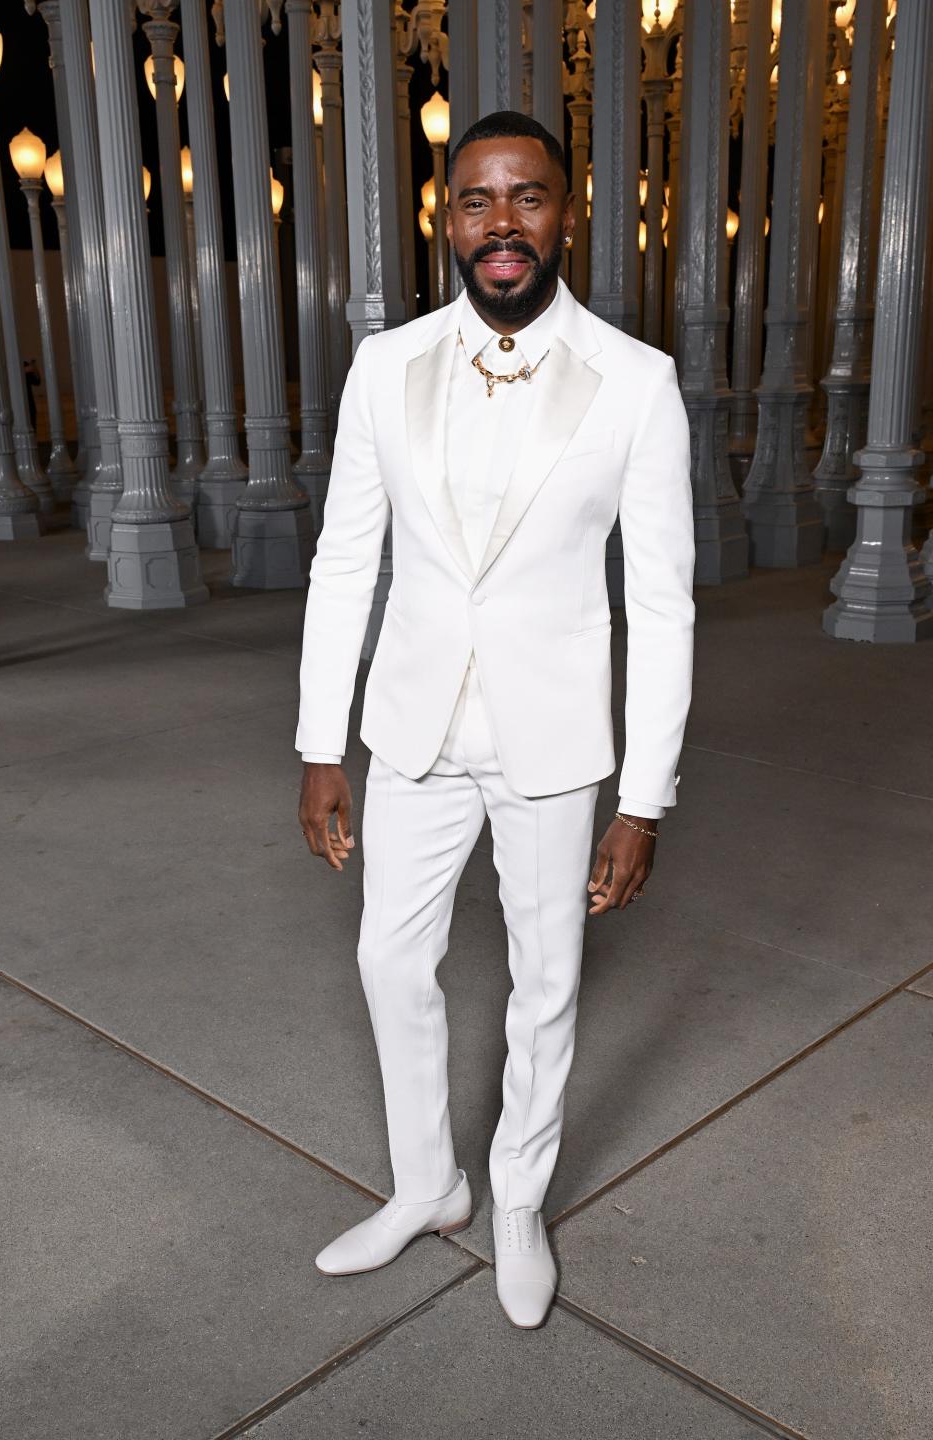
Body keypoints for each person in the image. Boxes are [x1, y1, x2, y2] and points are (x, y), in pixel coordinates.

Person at [295, 111, 695, 1329]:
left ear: (566, 214)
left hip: (554, 741)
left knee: (547, 980)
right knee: (384, 957)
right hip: (413, 727)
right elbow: (343, 560)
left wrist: (645, 796)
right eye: (478, 200)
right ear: (445, 218)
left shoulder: (636, 382)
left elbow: (664, 604)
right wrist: (323, 745)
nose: (502, 223)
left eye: (527, 198)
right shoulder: (387, 365)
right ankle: (432, 1185)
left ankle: (518, 1198)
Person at [24, 358, 42, 432]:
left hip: (29, 403)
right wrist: (24, 370)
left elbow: (37, 381)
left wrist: (35, 369)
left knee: (32, 428)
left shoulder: (24, 363)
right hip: (16, 405)